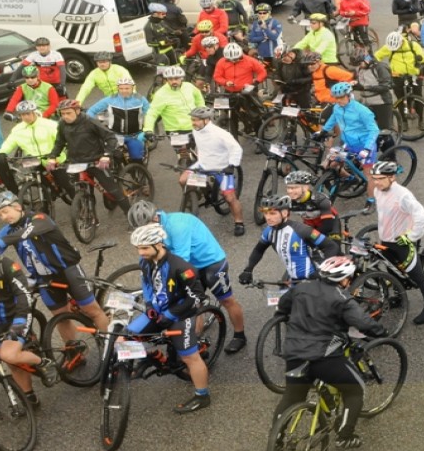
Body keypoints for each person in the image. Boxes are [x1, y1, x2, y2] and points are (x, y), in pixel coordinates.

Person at [273, 255, 387, 449]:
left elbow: (283, 306)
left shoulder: (301, 288)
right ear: (344, 279)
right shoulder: (341, 298)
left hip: (294, 353)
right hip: (322, 356)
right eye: (349, 278)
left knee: (292, 397)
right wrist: (381, 332)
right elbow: (363, 323)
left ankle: (275, 439)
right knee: (355, 389)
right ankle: (345, 435)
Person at [126, 200, 250, 354]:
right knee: (192, 306)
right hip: (189, 266)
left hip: (210, 262)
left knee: (226, 300)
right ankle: (196, 343)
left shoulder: (177, 226)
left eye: (146, 230)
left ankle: (240, 335)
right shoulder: (152, 233)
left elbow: (179, 262)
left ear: (156, 218)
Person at [0, 191, 109, 336]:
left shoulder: (40, 218)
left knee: (93, 312)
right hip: (44, 279)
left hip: (68, 270)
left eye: (5, 212)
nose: (3, 217)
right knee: (61, 319)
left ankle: (110, 345)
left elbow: (27, 232)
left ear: (17, 207)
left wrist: (2, 241)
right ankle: (73, 348)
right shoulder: (6, 231)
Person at [128, 224, 212, 413]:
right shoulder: (145, 261)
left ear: (159, 244)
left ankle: (202, 396)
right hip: (159, 309)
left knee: (189, 357)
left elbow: (198, 297)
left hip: (182, 313)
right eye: (138, 248)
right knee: (128, 336)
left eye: (144, 248)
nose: (140, 252)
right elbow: (146, 283)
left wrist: (170, 315)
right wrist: (149, 305)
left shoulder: (181, 267)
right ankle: (150, 357)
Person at [0, 236, 58, 408]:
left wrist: (20, 319)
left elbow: (23, 294)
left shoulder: (3, 265)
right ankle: (29, 397)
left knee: (8, 354)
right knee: (12, 363)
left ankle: (44, 363)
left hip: (17, 317)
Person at [369, 160, 424, 325]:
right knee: (392, 270)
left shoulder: (403, 195)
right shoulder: (378, 190)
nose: (376, 182)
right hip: (386, 240)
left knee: (417, 276)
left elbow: (422, 218)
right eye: (374, 179)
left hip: (403, 242)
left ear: (392, 177)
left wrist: (410, 236)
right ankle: (400, 297)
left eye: (380, 178)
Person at [46, 99, 131, 213]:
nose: (65, 116)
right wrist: (52, 157)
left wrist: (106, 155)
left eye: (68, 113)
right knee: (84, 193)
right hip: (76, 162)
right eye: (62, 113)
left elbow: (110, 137)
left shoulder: (90, 122)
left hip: (96, 161)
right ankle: (90, 217)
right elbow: (59, 142)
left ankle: (131, 214)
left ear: (77, 111)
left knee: (113, 190)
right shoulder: (62, 124)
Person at [240, 194, 339, 288]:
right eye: (265, 213)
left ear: (284, 213)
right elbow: (258, 250)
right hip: (293, 281)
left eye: (272, 213)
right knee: (282, 300)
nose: (268, 217)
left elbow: (331, 246)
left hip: (313, 280)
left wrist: (322, 270)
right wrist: (248, 270)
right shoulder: (269, 231)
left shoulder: (302, 230)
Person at [317, 81, 379, 208]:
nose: (338, 101)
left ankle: (371, 201)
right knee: (332, 164)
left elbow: (374, 130)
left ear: (349, 95)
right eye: (336, 98)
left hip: (364, 145)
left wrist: (367, 148)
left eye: (341, 97)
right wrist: (323, 131)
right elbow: (333, 119)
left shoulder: (362, 111)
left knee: (368, 175)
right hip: (348, 143)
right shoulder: (337, 107)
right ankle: (351, 178)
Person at [183, 107, 245, 236]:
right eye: (192, 120)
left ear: (206, 120)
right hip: (202, 165)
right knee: (182, 179)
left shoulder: (220, 134)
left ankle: (239, 222)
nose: (193, 123)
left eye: (196, 120)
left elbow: (236, 149)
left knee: (230, 198)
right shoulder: (196, 130)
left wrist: (231, 165)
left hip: (221, 168)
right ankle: (199, 193)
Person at [0, 101, 68, 199]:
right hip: (34, 161)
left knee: (66, 184)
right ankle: (47, 196)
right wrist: (0, 153)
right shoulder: (17, 129)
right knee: (40, 183)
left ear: (34, 112)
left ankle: (77, 202)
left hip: (54, 159)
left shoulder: (49, 125)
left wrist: (56, 154)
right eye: (22, 115)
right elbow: (8, 144)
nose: (25, 117)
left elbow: (62, 140)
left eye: (28, 114)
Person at [143, 65, 203, 156]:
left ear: (182, 78)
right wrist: (148, 129)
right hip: (175, 130)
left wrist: (202, 110)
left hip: (194, 126)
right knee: (183, 155)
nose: (174, 81)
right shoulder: (161, 94)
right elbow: (152, 113)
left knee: (193, 152)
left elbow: (198, 97)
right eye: (170, 79)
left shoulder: (189, 86)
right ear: (166, 79)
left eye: (176, 78)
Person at [86, 75, 149, 163]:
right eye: (121, 88)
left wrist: (145, 131)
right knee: (111, 158)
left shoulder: (141, 100)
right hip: (114, 135)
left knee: (137, 160)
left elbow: (151, 114)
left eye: (127, 88)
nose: (124, 91)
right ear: (117, 88)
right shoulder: (110, 99)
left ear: (133, 88)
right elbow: (91, 111)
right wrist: (94, 126)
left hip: (134, 136)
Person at [280, 170, 339, 240]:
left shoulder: (320, 200)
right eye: (288, 188)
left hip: (330, 224)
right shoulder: (289, 202)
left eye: (295, 188)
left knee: (331, 245)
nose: (290, 191)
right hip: (311, 224)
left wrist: (311, 236)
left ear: (305, 188)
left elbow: (328, 226)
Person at [248, 3, 284, 71]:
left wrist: (265, 28)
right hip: (262, 52)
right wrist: (263, 38)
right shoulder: (255, 24)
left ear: (269, 13)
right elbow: (251, 38)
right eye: (260, 13)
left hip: (275, 51)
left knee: (276, 71)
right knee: (263, 71)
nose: (262, 15)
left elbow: (273, 37)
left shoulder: (276, 23)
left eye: (264, 13)